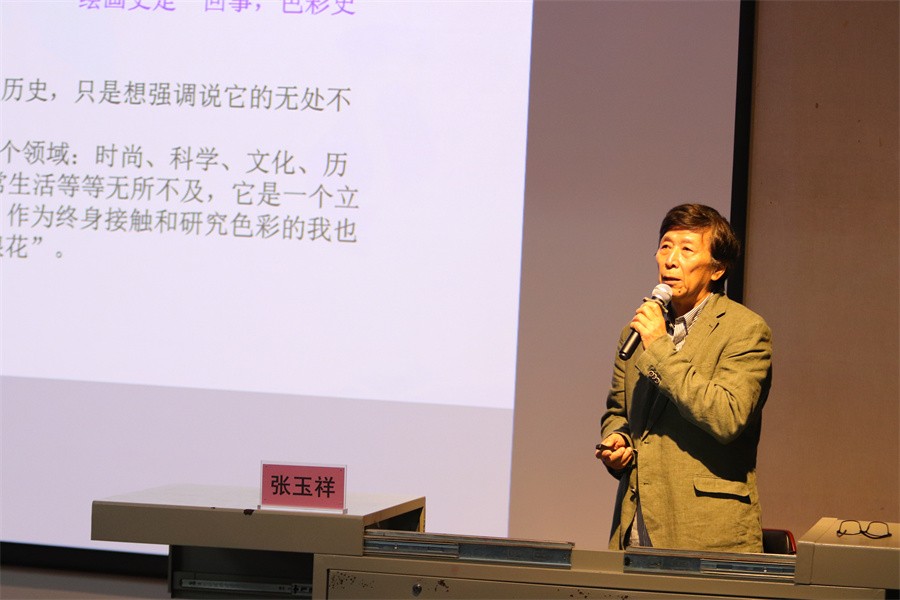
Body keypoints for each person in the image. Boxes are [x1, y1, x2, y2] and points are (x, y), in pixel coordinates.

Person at [596, 203, 772, 553]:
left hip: (707, 533)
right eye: (665, 246)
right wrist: (617, 440)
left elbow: (727, 417)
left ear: (718, 269)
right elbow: (618, 411)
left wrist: (660, 347)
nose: (671, 260)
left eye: (687, 249)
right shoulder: (637, 332)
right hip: (635, 527)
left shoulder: (745, 330)